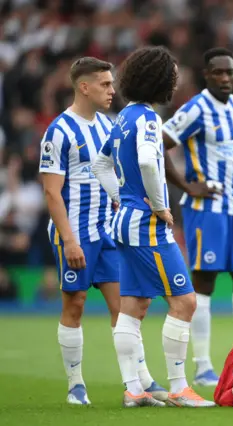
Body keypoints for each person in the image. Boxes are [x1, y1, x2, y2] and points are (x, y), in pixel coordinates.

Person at [92, 46, 214, 407]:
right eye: (172, 76)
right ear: (159, 80)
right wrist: (160, 207)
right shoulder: (147, 118)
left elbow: (101, 165)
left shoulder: (123, 116)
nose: (175, 82)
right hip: (146, 225)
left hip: (123, 221)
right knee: (185, 302)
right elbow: (148, 161)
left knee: (133, 305)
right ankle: (179, 388)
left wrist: (121, 196)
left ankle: (133, 390)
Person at [39, 57, 164, 405]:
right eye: (105, 84)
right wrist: (69, 240)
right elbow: (51, 191)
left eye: (112, 84)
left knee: (125, 306)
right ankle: (76, 385)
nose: (113, 90)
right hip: (75, 233)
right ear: (84, 87)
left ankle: (140, 383)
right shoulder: (59, 131)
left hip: (108, 231)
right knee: (75, 304)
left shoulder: (109, 126)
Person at [162, 47, 233, 387]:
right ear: (206, 75)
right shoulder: (195, 109)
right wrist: (187, 187)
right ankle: (203, 365)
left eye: (229, 73)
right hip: (205, 210)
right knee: (204, 282)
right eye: (217, 72)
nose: (224, 78)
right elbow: (158, 143)